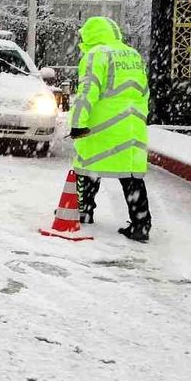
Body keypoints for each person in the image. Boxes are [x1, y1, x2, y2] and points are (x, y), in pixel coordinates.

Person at [69, 16, 151, 242]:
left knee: (86, 166)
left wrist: (77, 123)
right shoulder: (133, 55)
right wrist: (139, 119)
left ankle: (83, 210)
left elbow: (87, 92)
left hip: (102, 126)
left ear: (90, 35)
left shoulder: (96, 54)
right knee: (131, 175)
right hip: (132, 126)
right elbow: (144, 92)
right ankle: (141, 224)